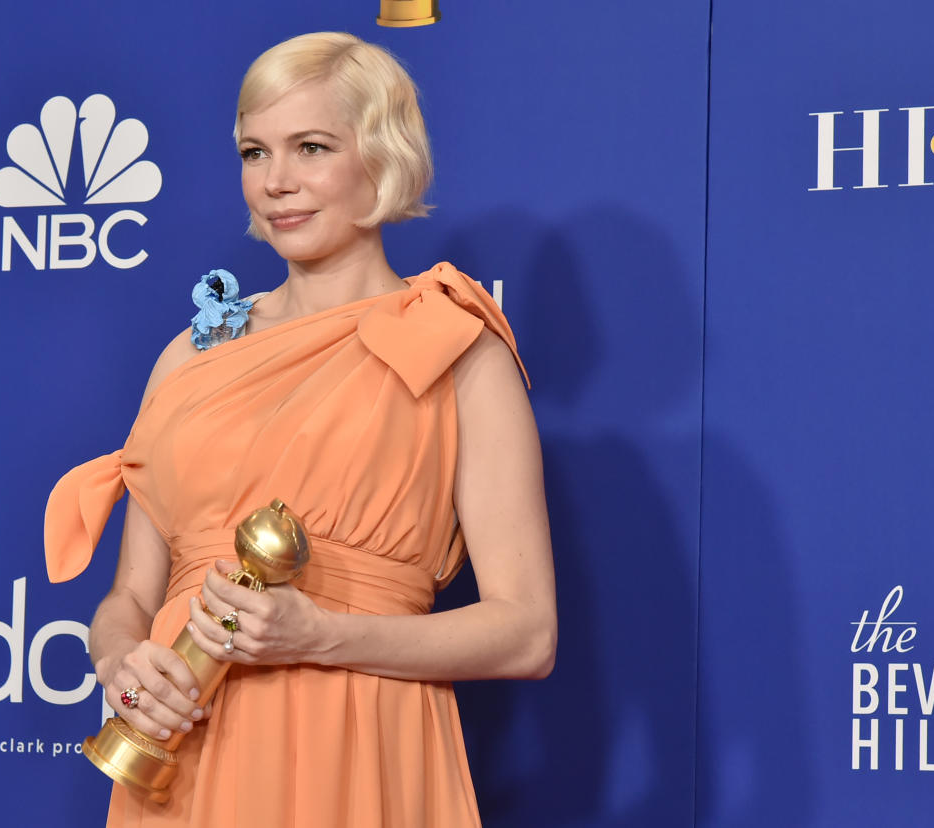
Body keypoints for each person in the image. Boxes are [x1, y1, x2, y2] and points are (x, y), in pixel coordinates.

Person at [44, 31, 557, 828]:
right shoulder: (192, 354)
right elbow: (131, 595)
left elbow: (526, 633)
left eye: (310, 147)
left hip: (361, 746)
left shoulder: (456, 349)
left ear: (382, 159)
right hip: (187, 758)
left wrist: (320, 635)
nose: (276, 183)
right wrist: (123, 662)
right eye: (255, 152)